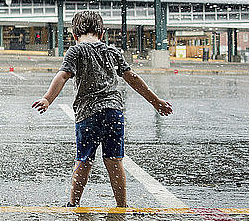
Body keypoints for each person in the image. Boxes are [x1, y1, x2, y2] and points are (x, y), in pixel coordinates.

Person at [32, 11, 172, 207]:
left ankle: (74, 203)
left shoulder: (76, 51)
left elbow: (62, 76)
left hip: (87, 114)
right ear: (102, 32)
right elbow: (132, 78)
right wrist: (155, 101)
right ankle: (122, 205)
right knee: (115, 161)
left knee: (84, 160)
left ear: (74, 34)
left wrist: (47, 99)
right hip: (113, 112)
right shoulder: (112, 52)